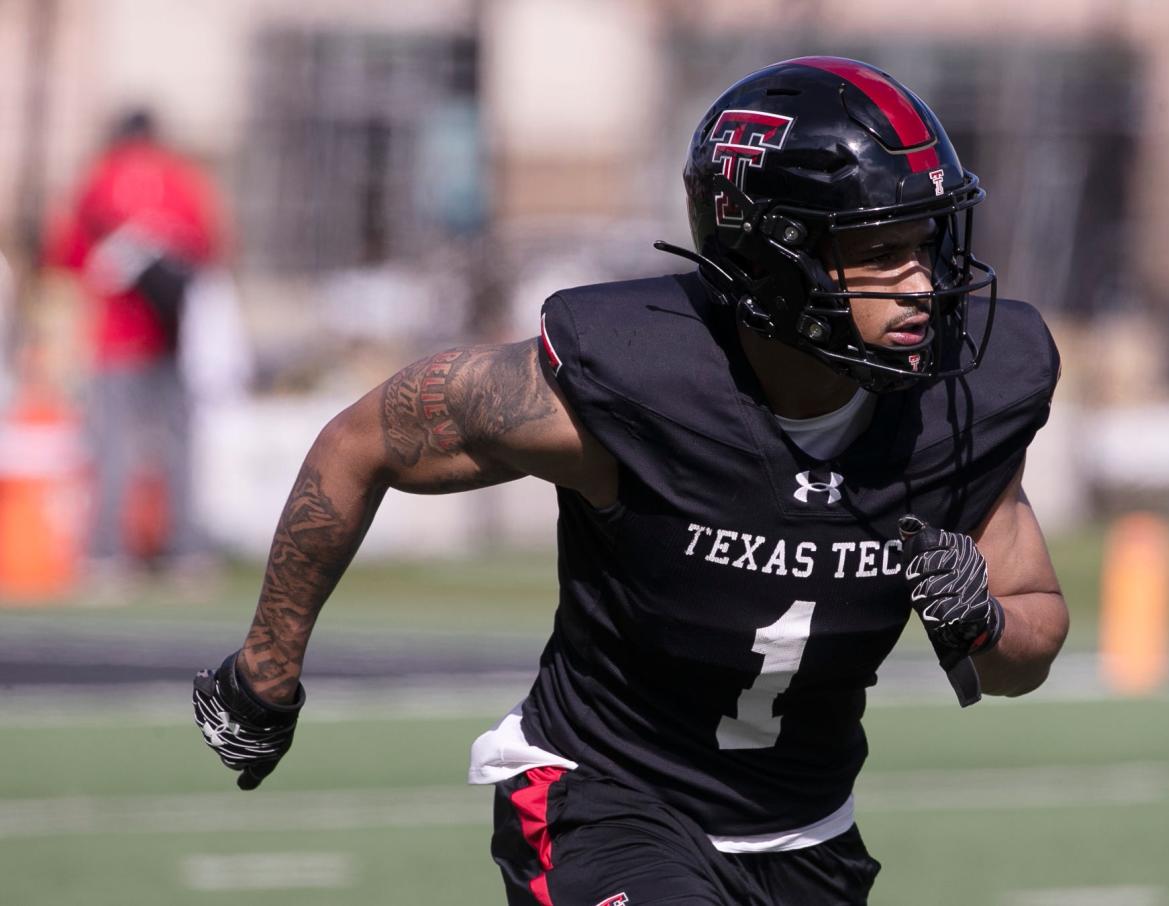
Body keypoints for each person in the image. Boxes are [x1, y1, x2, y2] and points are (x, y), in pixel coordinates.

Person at [193, 57, 1067, 905]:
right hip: (607, 801)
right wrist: (266, 668)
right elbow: (360, 443)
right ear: (770, 258)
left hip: (806, 838)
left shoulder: (961, 398)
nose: (924, 286)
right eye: (880, 252)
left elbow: (1030, 642)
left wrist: (984, 623)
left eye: (928, 243)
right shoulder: (639, 382)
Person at [44, 109, 223, 585]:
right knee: (180, 447)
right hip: (175, 336)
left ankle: (107, 555)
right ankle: (184, 554)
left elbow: (66, 255)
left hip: (117, 338)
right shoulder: (182, 180)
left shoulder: (98, 179)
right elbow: (211, 247)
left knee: (112, 446)